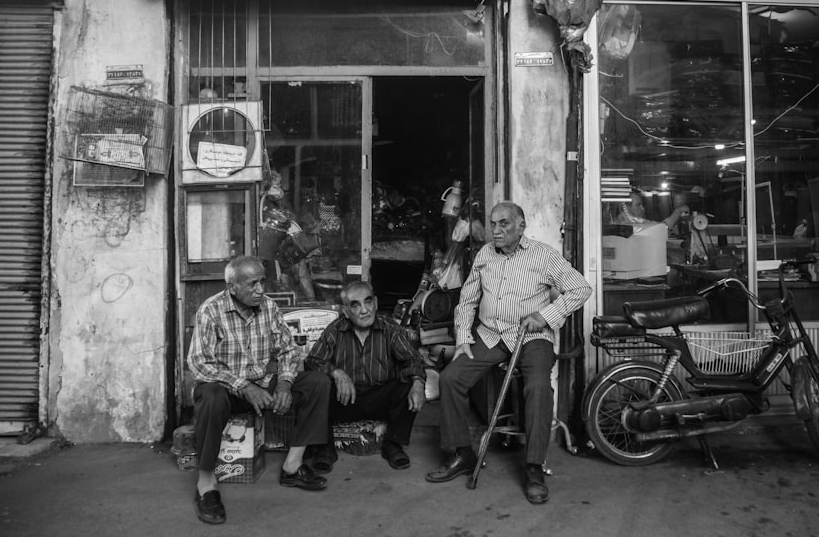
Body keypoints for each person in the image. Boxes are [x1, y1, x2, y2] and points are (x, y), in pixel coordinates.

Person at [425, 201, 592, 505]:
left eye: (504, 224)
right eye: (493, 224)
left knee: (539, 387)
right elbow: (467, 300)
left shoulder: (542, 255)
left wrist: (546, 316)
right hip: (491, 335)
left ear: (521, 226)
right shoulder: (484, 255)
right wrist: (463, 337)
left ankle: (533, 466)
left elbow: (580, 288)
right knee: (450, 379)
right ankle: (462, 453)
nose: (496, 230)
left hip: (531, 336)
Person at [187, 256, 332, 525]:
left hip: (263, 384)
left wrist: (286, 383)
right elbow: (199, 363)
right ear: (232, 287)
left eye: (262, 281)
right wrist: (243, 387)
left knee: (317, 384)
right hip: (227, 388)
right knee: (211, 396)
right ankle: (206, 483)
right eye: (253, 284)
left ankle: (293, 466)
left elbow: (289, 349)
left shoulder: (268, 307)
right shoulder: (210, 311)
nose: (261, 289)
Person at [304, 280, 427, 471]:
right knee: (319, 384)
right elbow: (313, 361)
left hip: (380, 398)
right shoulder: (335, 330)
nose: (364, 310)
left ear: (376, 303)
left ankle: (392, 444)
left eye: (368, 302)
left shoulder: (390, 329)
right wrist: (337, 372)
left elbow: (412, 360)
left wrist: (419, 383)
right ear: (346, 311)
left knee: (408, 383)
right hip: (344, 400)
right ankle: (324, 448)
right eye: (356, 305)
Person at [614, 191, 690, 230]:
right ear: (627, 207)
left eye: (642, 205)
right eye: (638, 205)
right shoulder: (627, 224)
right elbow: (663, 229)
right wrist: (678, 212)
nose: (643, 209)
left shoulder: (637, 221)